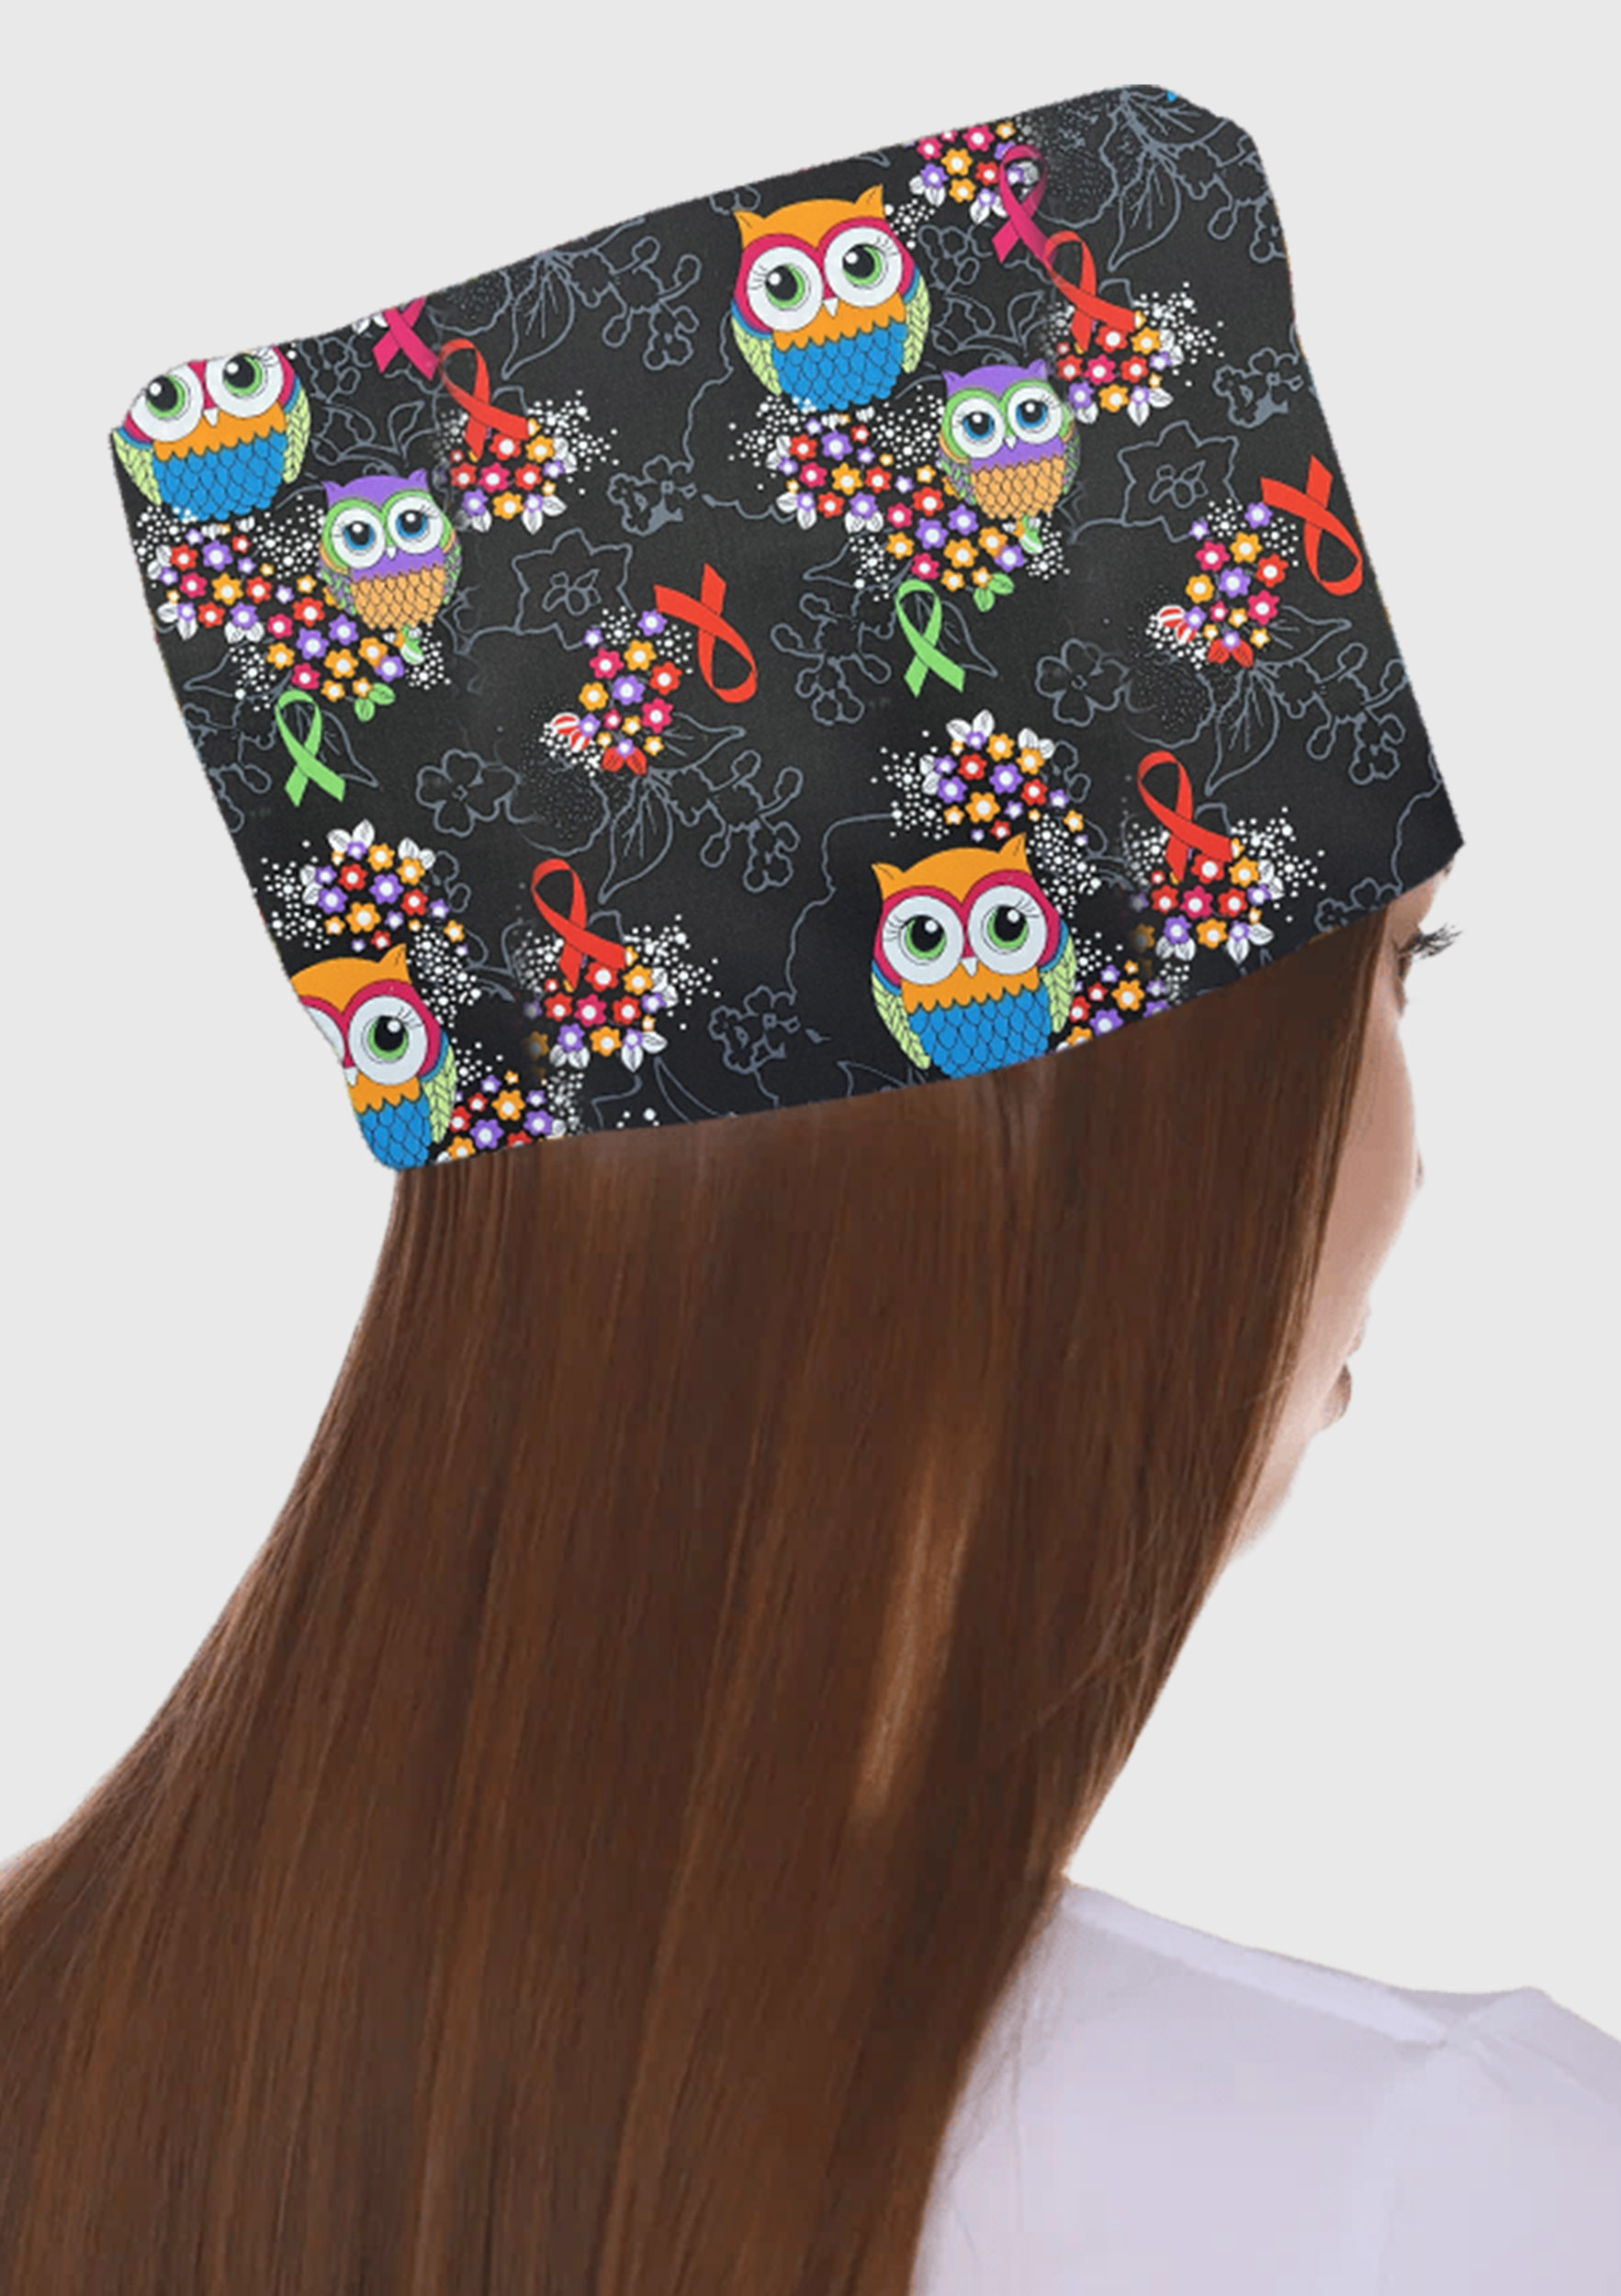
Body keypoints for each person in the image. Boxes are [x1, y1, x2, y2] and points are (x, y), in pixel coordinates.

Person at [5, 81, 1617, 2296]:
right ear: (1116, 1147)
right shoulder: (1440, 2197)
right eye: (1394, 974)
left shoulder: (54, 2048)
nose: (1412, 1156)